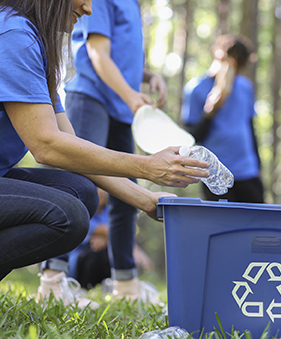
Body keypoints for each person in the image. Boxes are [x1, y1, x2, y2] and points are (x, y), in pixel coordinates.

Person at [0, 0, 209, 309]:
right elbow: (45, 146)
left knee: (81, 192)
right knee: (67, 216)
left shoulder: (36, 42)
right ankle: (54, 281)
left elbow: (66, 145)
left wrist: (146, 198)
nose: (88, 8)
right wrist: (148, 166)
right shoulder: (14, 35)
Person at [63, 0, 168, 303]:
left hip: (121, 107)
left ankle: (125, 285)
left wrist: (147, 76)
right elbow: (97, 52)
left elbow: (120, 53)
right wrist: (132, 96)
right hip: (91, 97)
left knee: (126, 196)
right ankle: (54, 278)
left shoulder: (133, 4)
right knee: (80, 182)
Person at [181, 34, 264, 203]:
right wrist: (210, 111)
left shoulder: (245, 86)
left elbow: (250, 127)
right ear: (218, 56)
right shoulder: (196, 89)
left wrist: (258, 166)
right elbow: (192, 137)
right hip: (215, 173)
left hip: (248, 171)